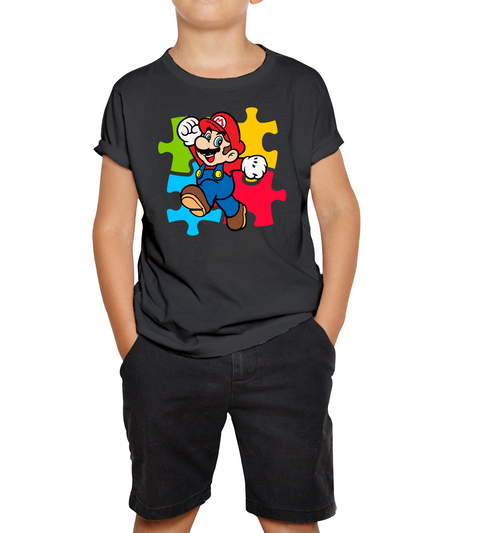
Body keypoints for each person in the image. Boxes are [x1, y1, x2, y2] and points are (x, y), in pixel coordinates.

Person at [92, 1, 360, 531]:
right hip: (166, 350)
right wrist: (134, 348)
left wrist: (324, 331)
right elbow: (113, 228)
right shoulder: (134, 95)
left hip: (289, 346)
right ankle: (215, 202)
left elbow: (338, 209)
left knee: (292, 520)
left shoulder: (300, 87)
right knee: (162, 519)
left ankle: (228, 204)